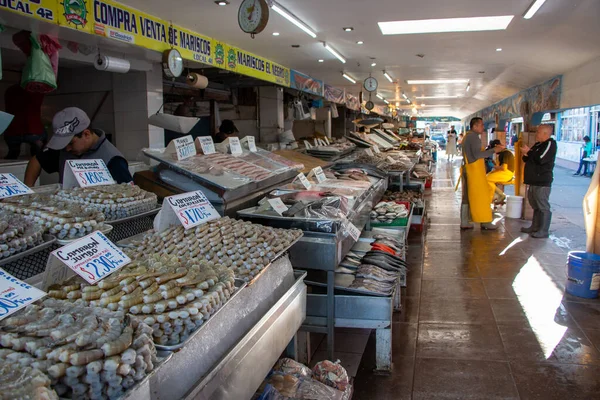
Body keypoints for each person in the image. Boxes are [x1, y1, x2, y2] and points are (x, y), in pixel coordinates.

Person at [24, 107, 132, 186]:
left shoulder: (113, 159)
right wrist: (28, 192)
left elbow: (130, 196)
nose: (67, 149)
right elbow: (36, 160)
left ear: (86, 134)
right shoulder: (66, 150)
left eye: (71, 143)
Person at [461, 117, 505, 230]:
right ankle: (484, 221)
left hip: (469, 170)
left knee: (468, 197)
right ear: (474, 126)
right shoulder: (474, 137)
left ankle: (465, 221)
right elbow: (477, 155)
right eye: (481, 125)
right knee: (482, 196)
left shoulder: (468, 136)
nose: (483, 127)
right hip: (474, 172)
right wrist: (494, 151)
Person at [520, 124, 557, 238]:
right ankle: (535, 227)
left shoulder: (550, 144)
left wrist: (529, 152)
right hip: (533, 181)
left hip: (542, 181)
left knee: (542, 205)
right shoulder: (538, 144)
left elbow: (541, 159)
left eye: (539, 132)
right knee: (535, 204)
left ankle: (543, 230)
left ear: (546, 133)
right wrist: (526, 153)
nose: (537, 134)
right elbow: (528, 158)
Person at [3, 84, 45, 159]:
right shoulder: (36, 90)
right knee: (38, 153)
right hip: (33, 132)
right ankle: (36, 158)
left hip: (12, 132)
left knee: (13, 153)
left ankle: (12, 155)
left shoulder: (10, 89)